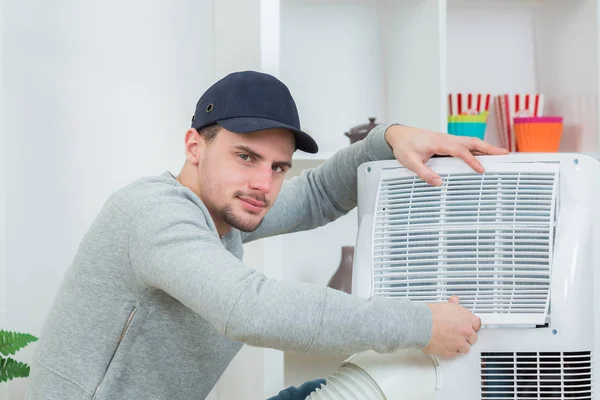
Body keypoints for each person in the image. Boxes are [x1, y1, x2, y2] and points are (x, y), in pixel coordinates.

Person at [25, 70, 507, 400]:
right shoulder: (152, 213)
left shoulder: (224, 211)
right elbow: (251, 309)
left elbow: (317, 193)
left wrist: (392, 137)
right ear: (195, 145)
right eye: (245, 156)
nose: (264, 183)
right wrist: (423, 325)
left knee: (373, 382)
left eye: (278, 167)